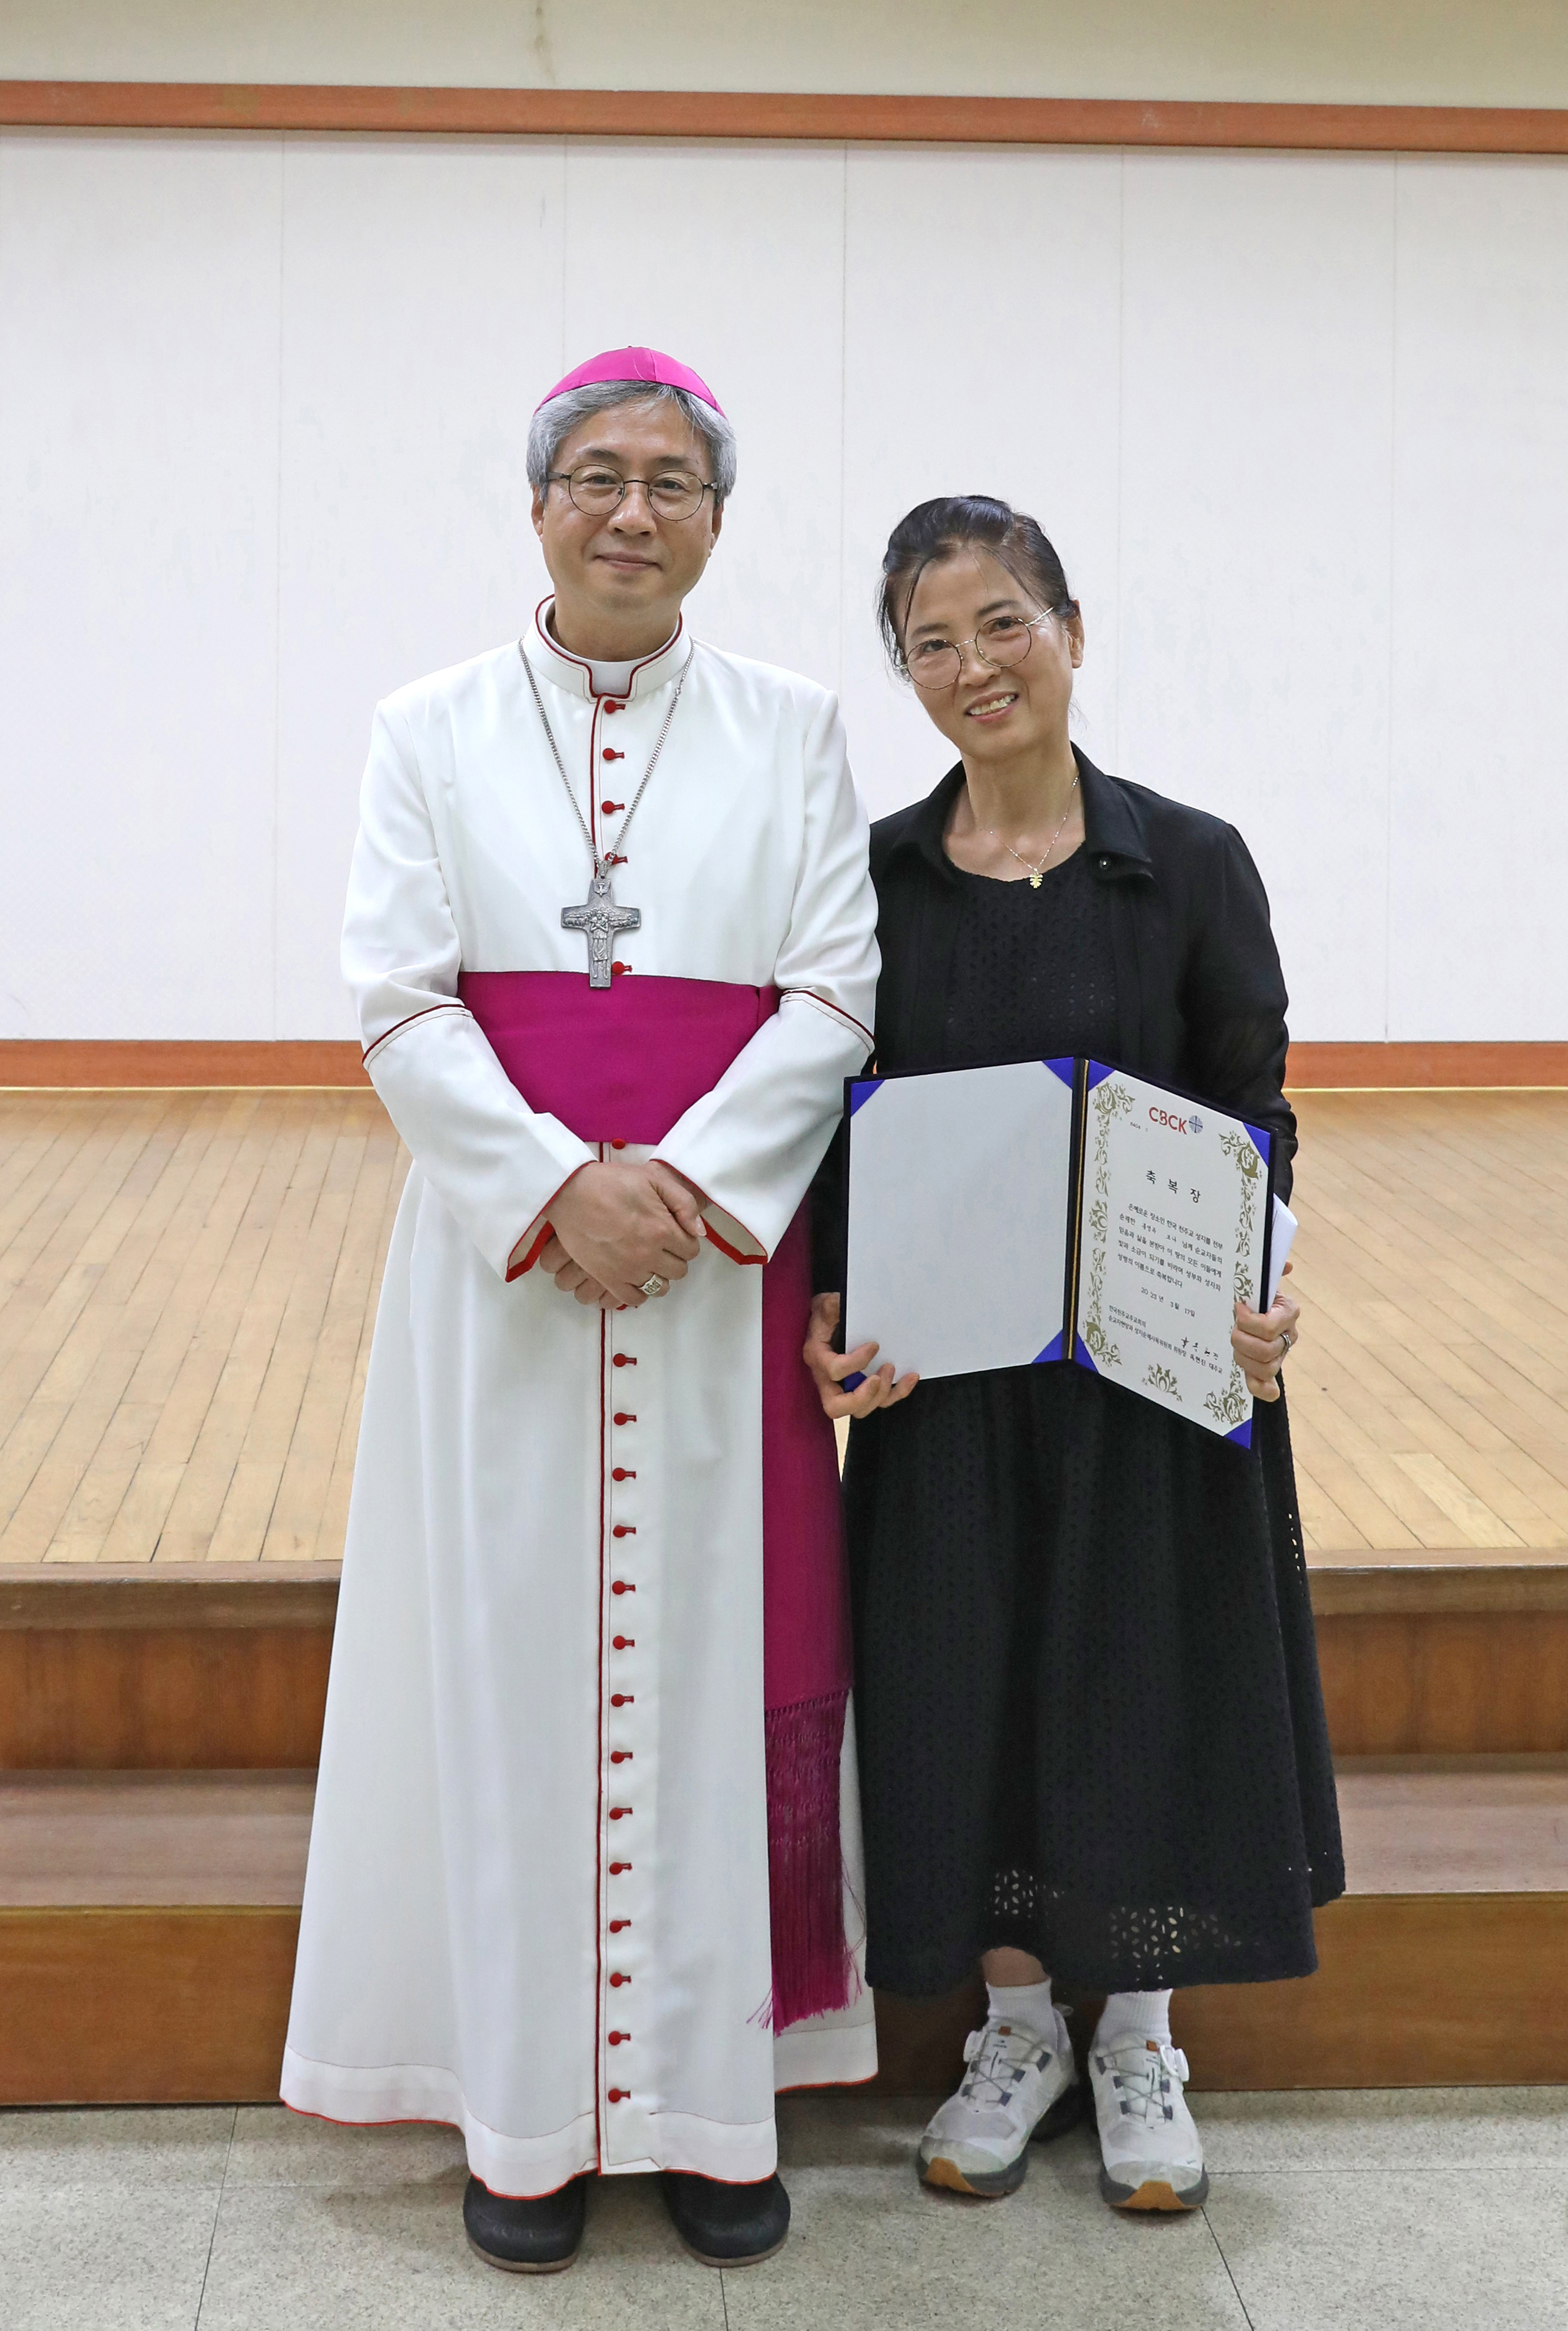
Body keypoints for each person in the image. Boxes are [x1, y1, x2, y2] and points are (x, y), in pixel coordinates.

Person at [284, 347, 880, 2275]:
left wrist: (683, 1191)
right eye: (599, 476)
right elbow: (397, 992)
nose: (634, 511)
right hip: (512, 1276)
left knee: (710, 1668)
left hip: (710, 1276)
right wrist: (557, 1190)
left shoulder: (791, 728)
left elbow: (836, 990)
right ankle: (524, 2122)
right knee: (510, 1666)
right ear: (537, 502)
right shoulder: (429, 728)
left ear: (717, 518)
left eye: (673, 482)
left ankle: (712, 2116)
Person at [805, 496, 1343, 2215]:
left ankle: (1141, 2041)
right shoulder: (875, 878)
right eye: (932, 643)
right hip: (949, 1386)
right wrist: (833, 1304)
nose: (975, 666)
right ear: (906, 675)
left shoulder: (1190, 862)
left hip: (1152, 1374)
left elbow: (1256, 1108)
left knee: (1142, 1679)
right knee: (964, 1678)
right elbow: (836, 1128)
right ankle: (1017, 2029)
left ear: (1072, 632)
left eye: (1004, 624)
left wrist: (1265, 1284)